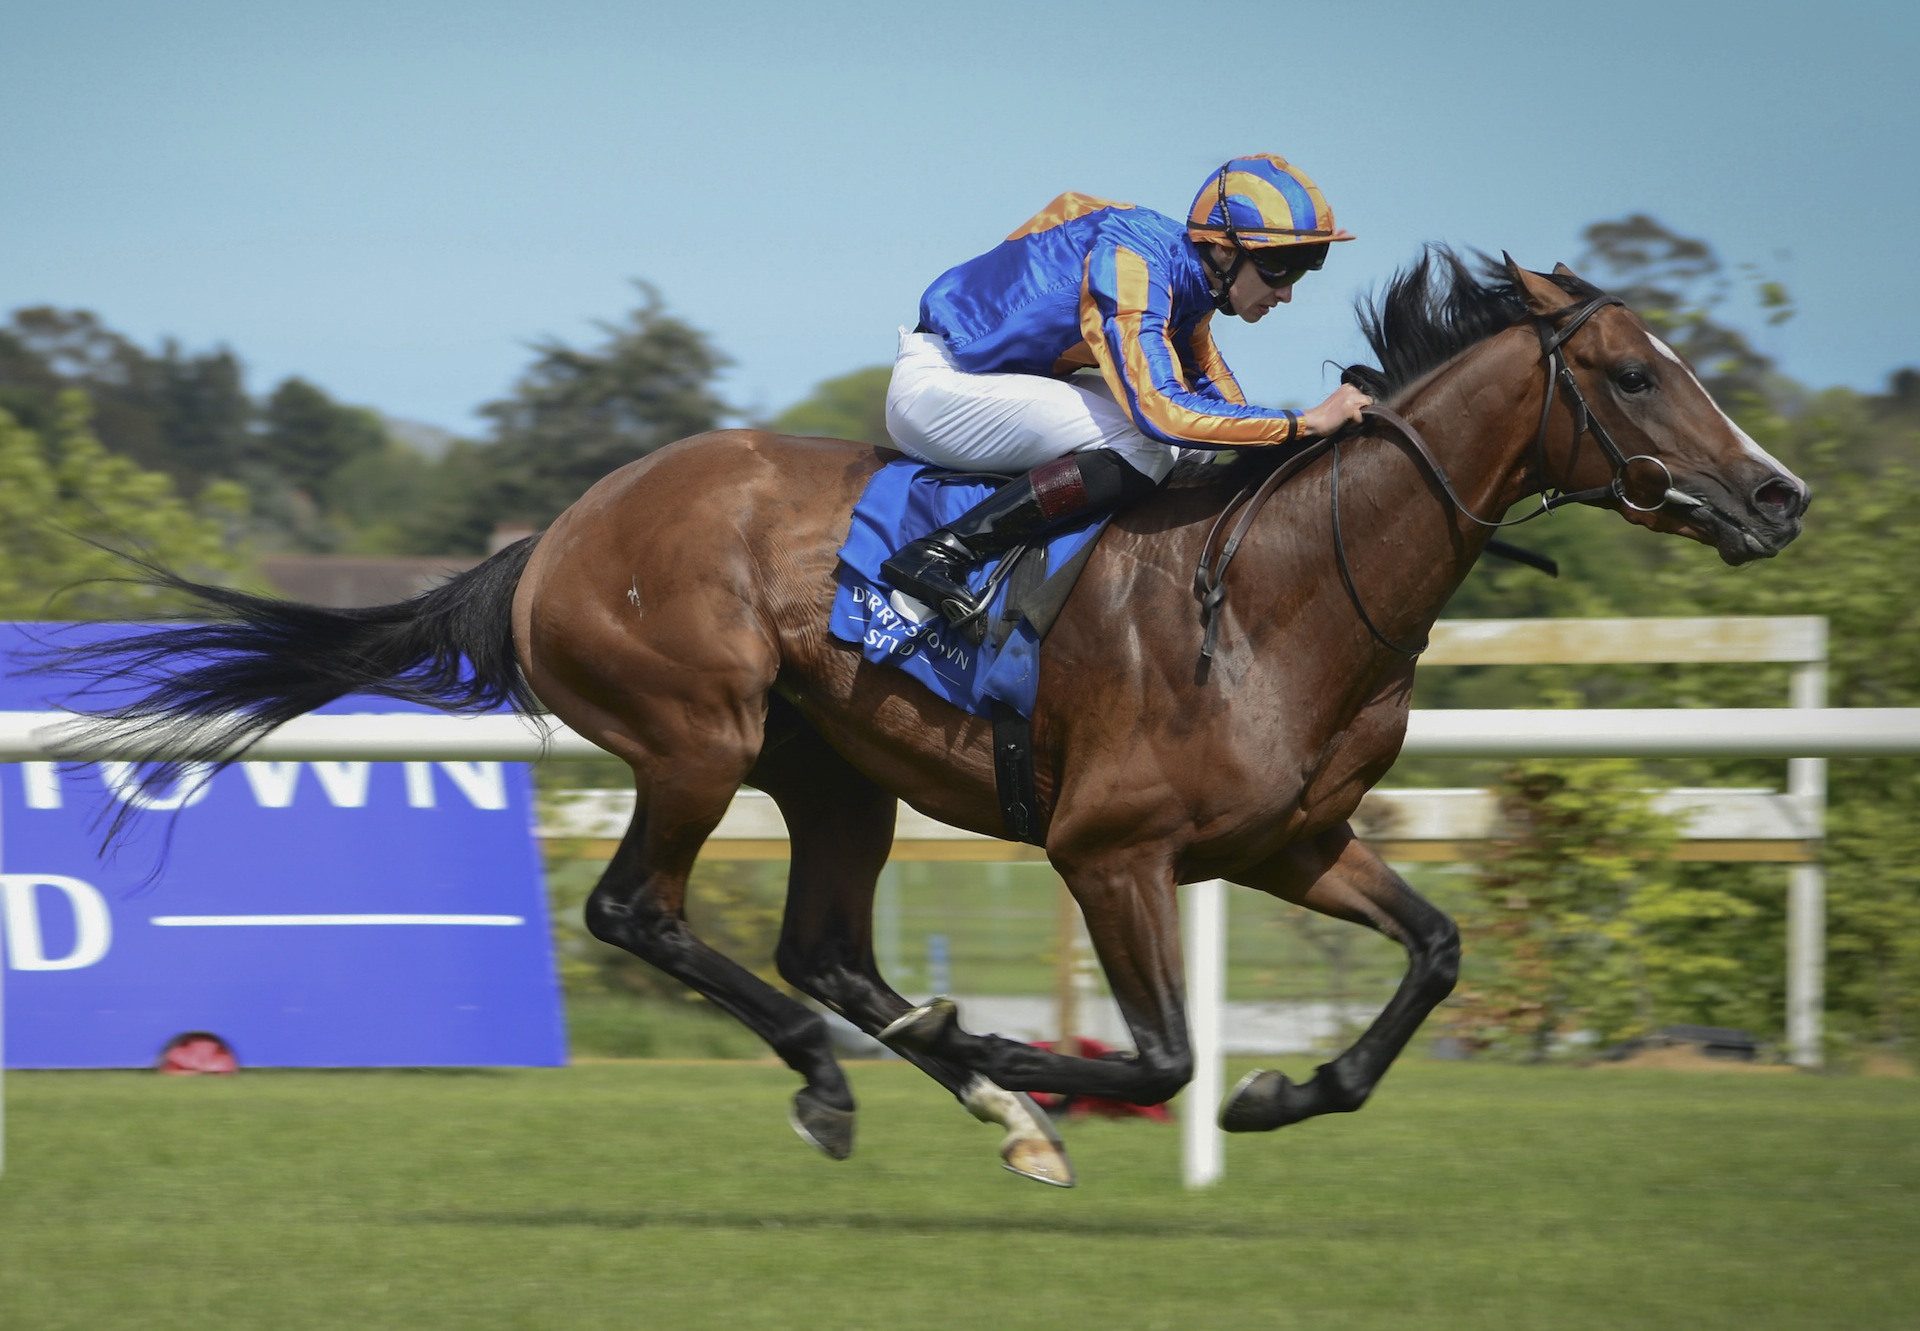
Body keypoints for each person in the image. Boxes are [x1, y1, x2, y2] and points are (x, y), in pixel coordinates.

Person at [879, 153, 1374, 634]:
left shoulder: (1190, 277)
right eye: (1279, 268)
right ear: (1225, 248)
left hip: (994, 380)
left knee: (1190, 448)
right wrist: (1304, 422)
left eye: (1301, 271)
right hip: (940, 388)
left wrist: (1305, 437)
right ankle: (939, 555)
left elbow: (1219, 402)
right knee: (1148, 445)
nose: (1287, 292)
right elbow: (1162, 412)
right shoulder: (1134, 264)